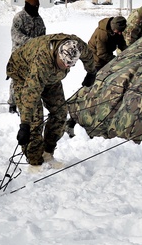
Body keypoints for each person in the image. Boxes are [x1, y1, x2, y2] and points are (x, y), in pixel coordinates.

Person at [6, 34, 98, 169]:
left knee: (60, 113)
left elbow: (88, 55)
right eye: (65, 63)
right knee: (34, 121)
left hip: (51, 77)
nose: (67, 67)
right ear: (58, 55)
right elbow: (30, 95)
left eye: (70, 65)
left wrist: (91, 72)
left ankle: (47, 152)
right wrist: (24, 124)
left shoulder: (76, 46)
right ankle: (35, 161)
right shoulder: (41, 62)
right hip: (23, 74)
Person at [7, 0, 46, 114]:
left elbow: (43, 36)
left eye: (37, 6)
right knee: (17, 79)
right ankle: (13, 104)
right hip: (19, 55)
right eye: (34, 6)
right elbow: (15, 35)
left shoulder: (39, 19)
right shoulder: (20, 17)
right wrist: (31, 42)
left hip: (34, 56)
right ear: (27, 5)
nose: (36, 8)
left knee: (32, 79)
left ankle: (28, 102)